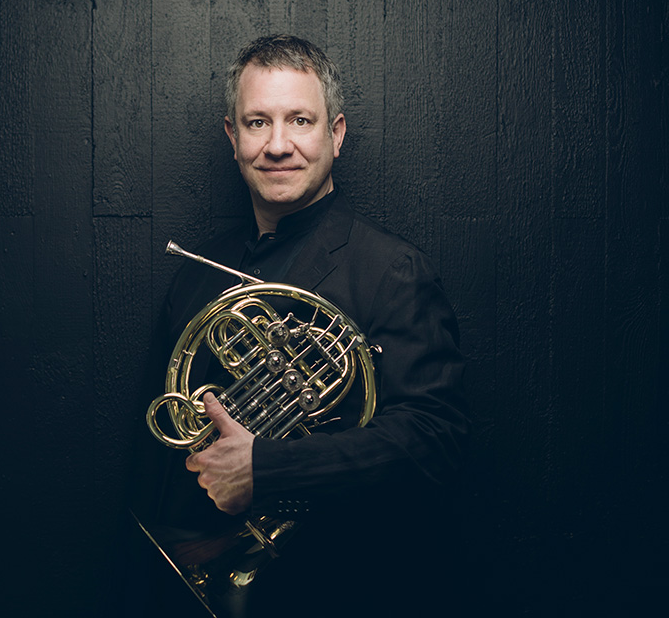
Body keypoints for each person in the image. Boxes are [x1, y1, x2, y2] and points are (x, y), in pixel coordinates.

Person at [133, 35, 470, 617]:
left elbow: (433, 441)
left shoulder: (391, 271)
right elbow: (161, 445)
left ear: (335, 135)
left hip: (347, 589)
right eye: (258, 122)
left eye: (300, 121)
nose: (278, 145)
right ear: (232, 138)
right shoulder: (195, 279)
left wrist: (265, 467)